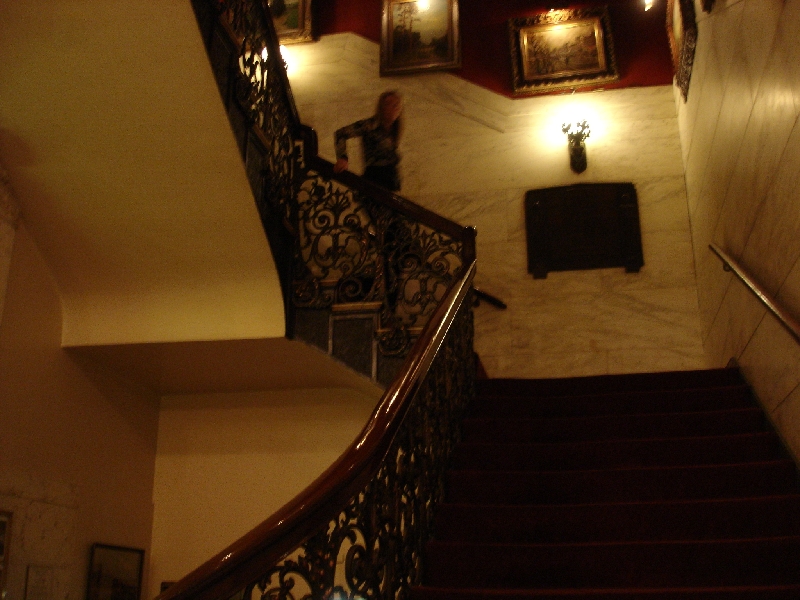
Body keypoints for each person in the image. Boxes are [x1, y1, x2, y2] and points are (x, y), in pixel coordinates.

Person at [333, 91, 404, 192]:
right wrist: (342, 158)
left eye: (396, 105)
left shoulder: (394, 130)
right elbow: (341, 133)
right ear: (381, 107)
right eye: (388, 104)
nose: (393, 108)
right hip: (375, 181)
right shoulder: (370, 125)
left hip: (391, 183)